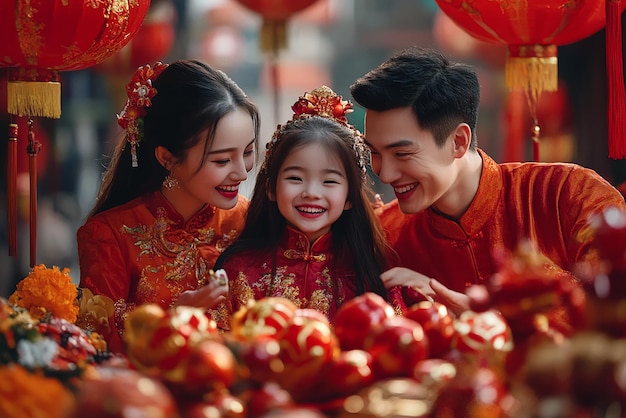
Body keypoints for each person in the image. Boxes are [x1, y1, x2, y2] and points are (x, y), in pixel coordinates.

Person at [349, 46, 626, 335]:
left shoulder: (569, 194)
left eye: (402, 154)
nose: (385, 172)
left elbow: (611, 318)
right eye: (375, 154)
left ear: (458, 141)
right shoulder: (386, 235)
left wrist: (481, 312)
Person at [76, 60, 260, 352]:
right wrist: (172, 319)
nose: (242, 172)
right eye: (222, 160)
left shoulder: (251, 220)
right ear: (167, 158)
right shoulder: (109, 235)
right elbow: (96, 349)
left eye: (248, 152)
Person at [211, 86, 395, 329]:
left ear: (350, 196)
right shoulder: (238, 269)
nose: (311, 193)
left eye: (329, 181)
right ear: (270, 188)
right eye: (295, 178)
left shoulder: (369, 271)